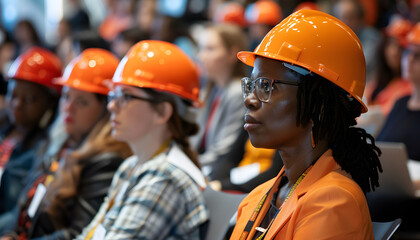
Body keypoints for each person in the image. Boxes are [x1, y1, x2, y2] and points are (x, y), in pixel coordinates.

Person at [230, 9, 382, 239]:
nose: (250, 100)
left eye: (267, 86)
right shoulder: (256, 198)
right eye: (251, 86)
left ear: (318, 105)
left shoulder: (334, 202)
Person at [76, 40, 208, 239]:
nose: (112, 106)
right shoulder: (130, 166)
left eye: (126, 96)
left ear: (163, 112)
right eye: (114, 95)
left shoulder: (164, 178)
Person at [0, 48, 132, 240]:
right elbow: (24, 204)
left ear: (106, 111)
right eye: (67, 96)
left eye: (82, 102)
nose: (68, 108)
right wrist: (9, 234)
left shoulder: (106, 160)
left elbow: (78, 234)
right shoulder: (61, 142)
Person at [0, 47, 62, 216]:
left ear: (51, 102)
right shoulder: (5, 131)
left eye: (29, 99)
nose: (17, 105)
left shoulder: (44, 152)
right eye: (13, 95)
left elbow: (18, 213)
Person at [191, 23, 248, 176]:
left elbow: (223, 150)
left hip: (218, 171)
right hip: (203, 164)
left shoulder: (237, 92)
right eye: (201, 48)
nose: (201, 57)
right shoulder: (212, 88)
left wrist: (189, 164)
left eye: (210, 49)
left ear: (232, 54)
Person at [377, 22, 420, 161]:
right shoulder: (400, 103)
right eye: (407, 51)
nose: (409, 59)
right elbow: (379, 146)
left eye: (418, 55)